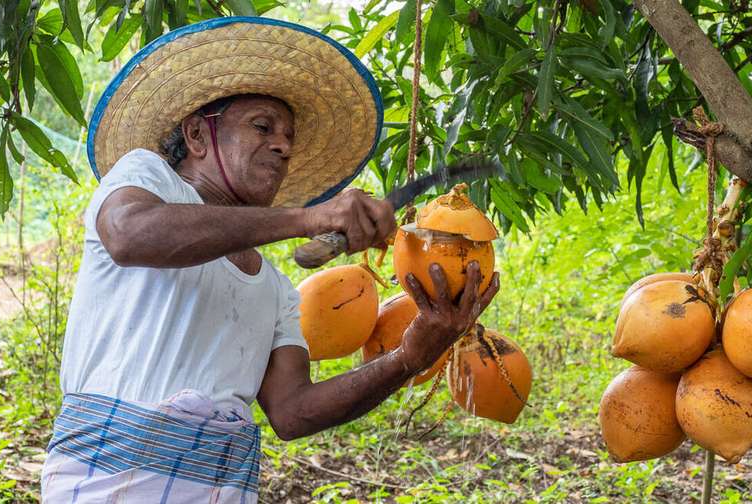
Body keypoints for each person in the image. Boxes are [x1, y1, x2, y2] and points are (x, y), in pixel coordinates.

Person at [40, 17, 499, 503]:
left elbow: (293, 411)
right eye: (263, 127)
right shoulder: (148, 176)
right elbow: (129, 235)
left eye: (289, 138)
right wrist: (305, 219)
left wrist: (409, 357)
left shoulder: (275, 290)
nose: (283, 146)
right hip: (105, 484)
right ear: (196, 135)